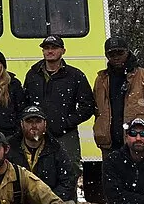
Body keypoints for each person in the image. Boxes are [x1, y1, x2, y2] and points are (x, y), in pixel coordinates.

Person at [23, 35, 95, 179]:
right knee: (35, 172)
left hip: (66, 134)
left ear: (63, 51)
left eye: (54, 48)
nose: (50, 51)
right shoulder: (32, 75)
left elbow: (87, 106)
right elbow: (24, 104)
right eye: (46, 48)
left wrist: (67, 122)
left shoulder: (75, 76)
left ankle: (69, 202)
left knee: (70, 170)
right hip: (37, 133)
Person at [93, 37, 144, 153]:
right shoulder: (101, 80)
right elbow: (96, 110)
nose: (116, 57)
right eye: (111, 54)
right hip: (109, 147)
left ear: (128, 52)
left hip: (139, 145)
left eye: (120, 52)